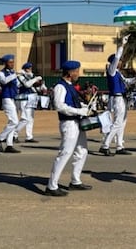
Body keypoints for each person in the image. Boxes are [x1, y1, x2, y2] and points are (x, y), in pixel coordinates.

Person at [45, 60, 95, 196]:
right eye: (77, 71)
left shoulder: (70, 86)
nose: (78, 74)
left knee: (82, 151)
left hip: (77, 122)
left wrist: (86, 108)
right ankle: (51, 185)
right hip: (69, 123)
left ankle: (75, 181)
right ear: (70, 73)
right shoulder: (60, 87)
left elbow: (75, 104)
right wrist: (80, 112)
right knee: (65, 153)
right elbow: (59, 106)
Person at [100, 35, 136, 156]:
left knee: (123, 122)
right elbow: (116, 58)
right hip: (117, 98)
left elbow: (127, 81)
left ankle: (119, 145)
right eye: (120, 61)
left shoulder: (118, 73)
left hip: (122, 98)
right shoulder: (111, 70)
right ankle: (105, 145)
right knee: (117, 122)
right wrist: (122, 45)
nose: (121, 62)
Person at [0, 54, 26, 153]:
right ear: (5, 63)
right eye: (10, 62)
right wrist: (15, 74)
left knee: (12, 122)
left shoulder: (12, 73)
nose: (12, 64)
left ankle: (9, 145)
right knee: (14, 121)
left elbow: (17, 84)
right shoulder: (1, 73)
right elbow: (4, 81)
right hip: (6, 98)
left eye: (13, 62)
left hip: (13, 98)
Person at [16, 62, 43, 143]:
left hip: (31, 98)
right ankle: (14, 134)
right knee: (25, 118)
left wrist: (39, 83)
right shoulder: (20, 76)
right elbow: (27, 85)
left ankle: (29, 136)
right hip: (23, 98)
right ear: (25, 69)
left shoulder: (31, 76)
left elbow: (34, 86)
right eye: (28, 68)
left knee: (30, 119)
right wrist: (35, 79)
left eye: (30, 68)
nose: (30, 70)